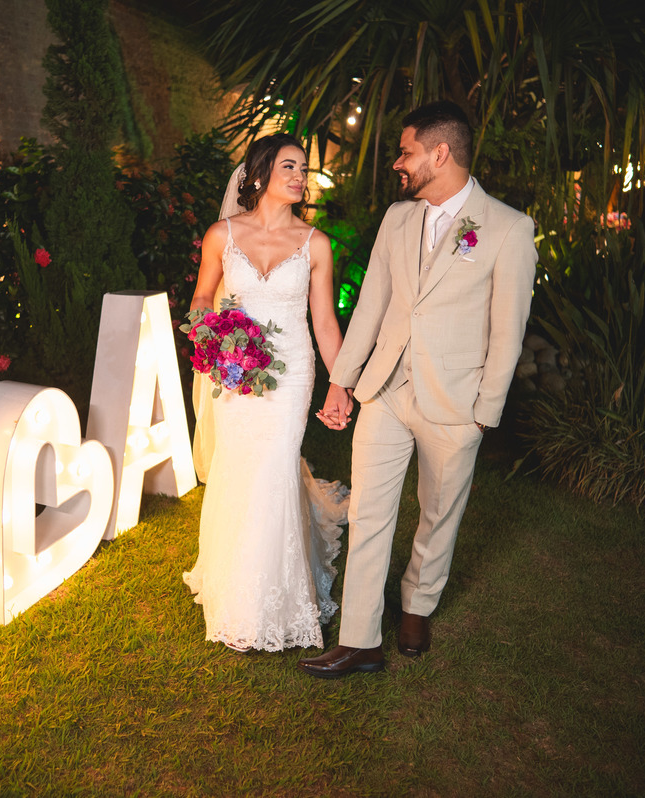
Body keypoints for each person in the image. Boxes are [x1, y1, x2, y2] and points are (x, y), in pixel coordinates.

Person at [299, 101, 537, 678]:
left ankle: (417, 605)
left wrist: (485, 411)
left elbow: (508, 332)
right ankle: (359, 640)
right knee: (371, 511)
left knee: (438, 514)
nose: (397, 163)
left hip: (455, 403)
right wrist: (345, 382)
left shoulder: (507, 227)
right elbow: (373, 305)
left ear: (440, 153)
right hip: (386, 389)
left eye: (406, 152)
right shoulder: (398, 218)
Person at [183, 133, 348, 652]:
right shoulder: (221, 235)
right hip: (234, 376)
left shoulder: (315, 243)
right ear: (258, 175)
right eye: (289, 167)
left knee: (275, 468)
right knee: (238, 471)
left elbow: (324, 321)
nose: (301, 177)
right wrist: (218, 345)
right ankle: (234, 591)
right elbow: (202, 299)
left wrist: (339, 383)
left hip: (291, 374)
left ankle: (276, 604)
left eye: (304, 169)